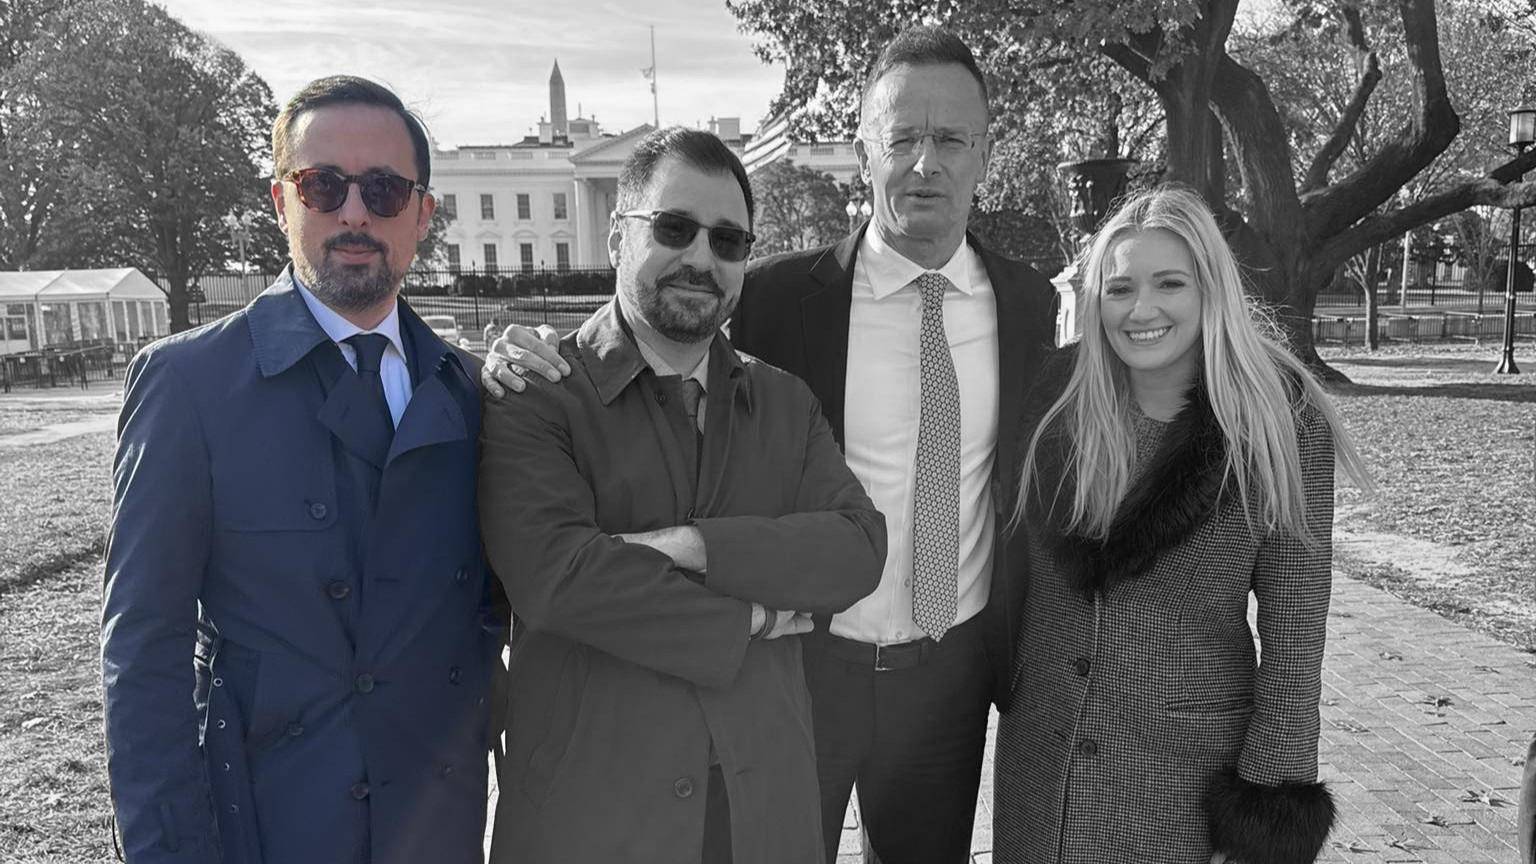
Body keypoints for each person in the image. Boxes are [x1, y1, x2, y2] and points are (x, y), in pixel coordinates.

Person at [484, 27, 1058, 864]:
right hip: (795, 662)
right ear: (864, 154)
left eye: (950, 139)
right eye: (902, 138)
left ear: (985, 155)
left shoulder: (1029, 303)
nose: (924, 163)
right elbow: (661, 339)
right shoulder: (773, 295)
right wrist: (526, 352)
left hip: (949, 671)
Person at [102, 76, 501, 864]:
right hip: (271, 825)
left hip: (437, 826)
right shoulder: (190, 384)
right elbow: (145, 650)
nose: (354, 212)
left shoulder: (472, 389)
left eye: (384, 189)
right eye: (323, 185)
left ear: (422, 214)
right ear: (281, 201)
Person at [477, 126, 886, 864]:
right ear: (617, 237)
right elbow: (559, 581)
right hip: (593, 819)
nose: (702, 258)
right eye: (674, 228)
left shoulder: (785, 402)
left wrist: (694, 547)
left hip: (762, 814)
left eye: (728, 241)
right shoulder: (538, 393)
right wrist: (754, 616)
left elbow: (858, 549)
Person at [996, 185, 1369, 864]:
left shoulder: (1278, 421)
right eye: (1119, 288)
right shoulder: (1054, 404)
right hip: (1042, 769)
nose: (1141, 309)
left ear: (1210, 290)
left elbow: (1295, 632)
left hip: (1183, 780)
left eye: (1169, 283)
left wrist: (1264, 817)